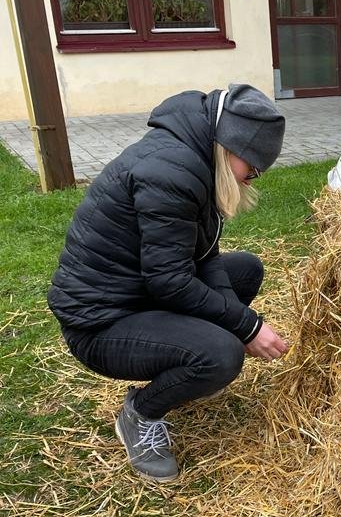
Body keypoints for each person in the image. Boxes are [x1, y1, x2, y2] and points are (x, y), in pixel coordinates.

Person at [48, 84, 289, 484]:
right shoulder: (171, 171)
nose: (251, 179)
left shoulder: (195, 155)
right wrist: (246, 328)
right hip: (99, 323)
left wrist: (241, 319)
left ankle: (189, 370)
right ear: (231, 146)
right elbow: (170, 280)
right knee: (222, 353)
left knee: (246, 270)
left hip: (139, 292)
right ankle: (140, 414)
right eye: (253, 168)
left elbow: (204, 255)